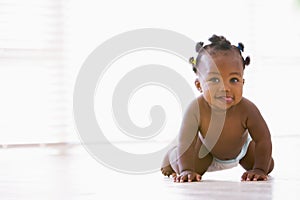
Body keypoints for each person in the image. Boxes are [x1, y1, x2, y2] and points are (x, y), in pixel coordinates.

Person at [161, 35, 274, 182]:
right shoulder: (196, 109)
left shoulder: (247, 109)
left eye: (234, 80)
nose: (225, 88)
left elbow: (263, 139)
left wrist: (259, 169)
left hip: (242, 151)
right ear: (199, 85)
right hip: (205, 152)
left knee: (267, 165)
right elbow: (187, 143)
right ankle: (171, 157)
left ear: (243, 82)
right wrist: (186, 170)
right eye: (214, 80)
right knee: (190, 167)